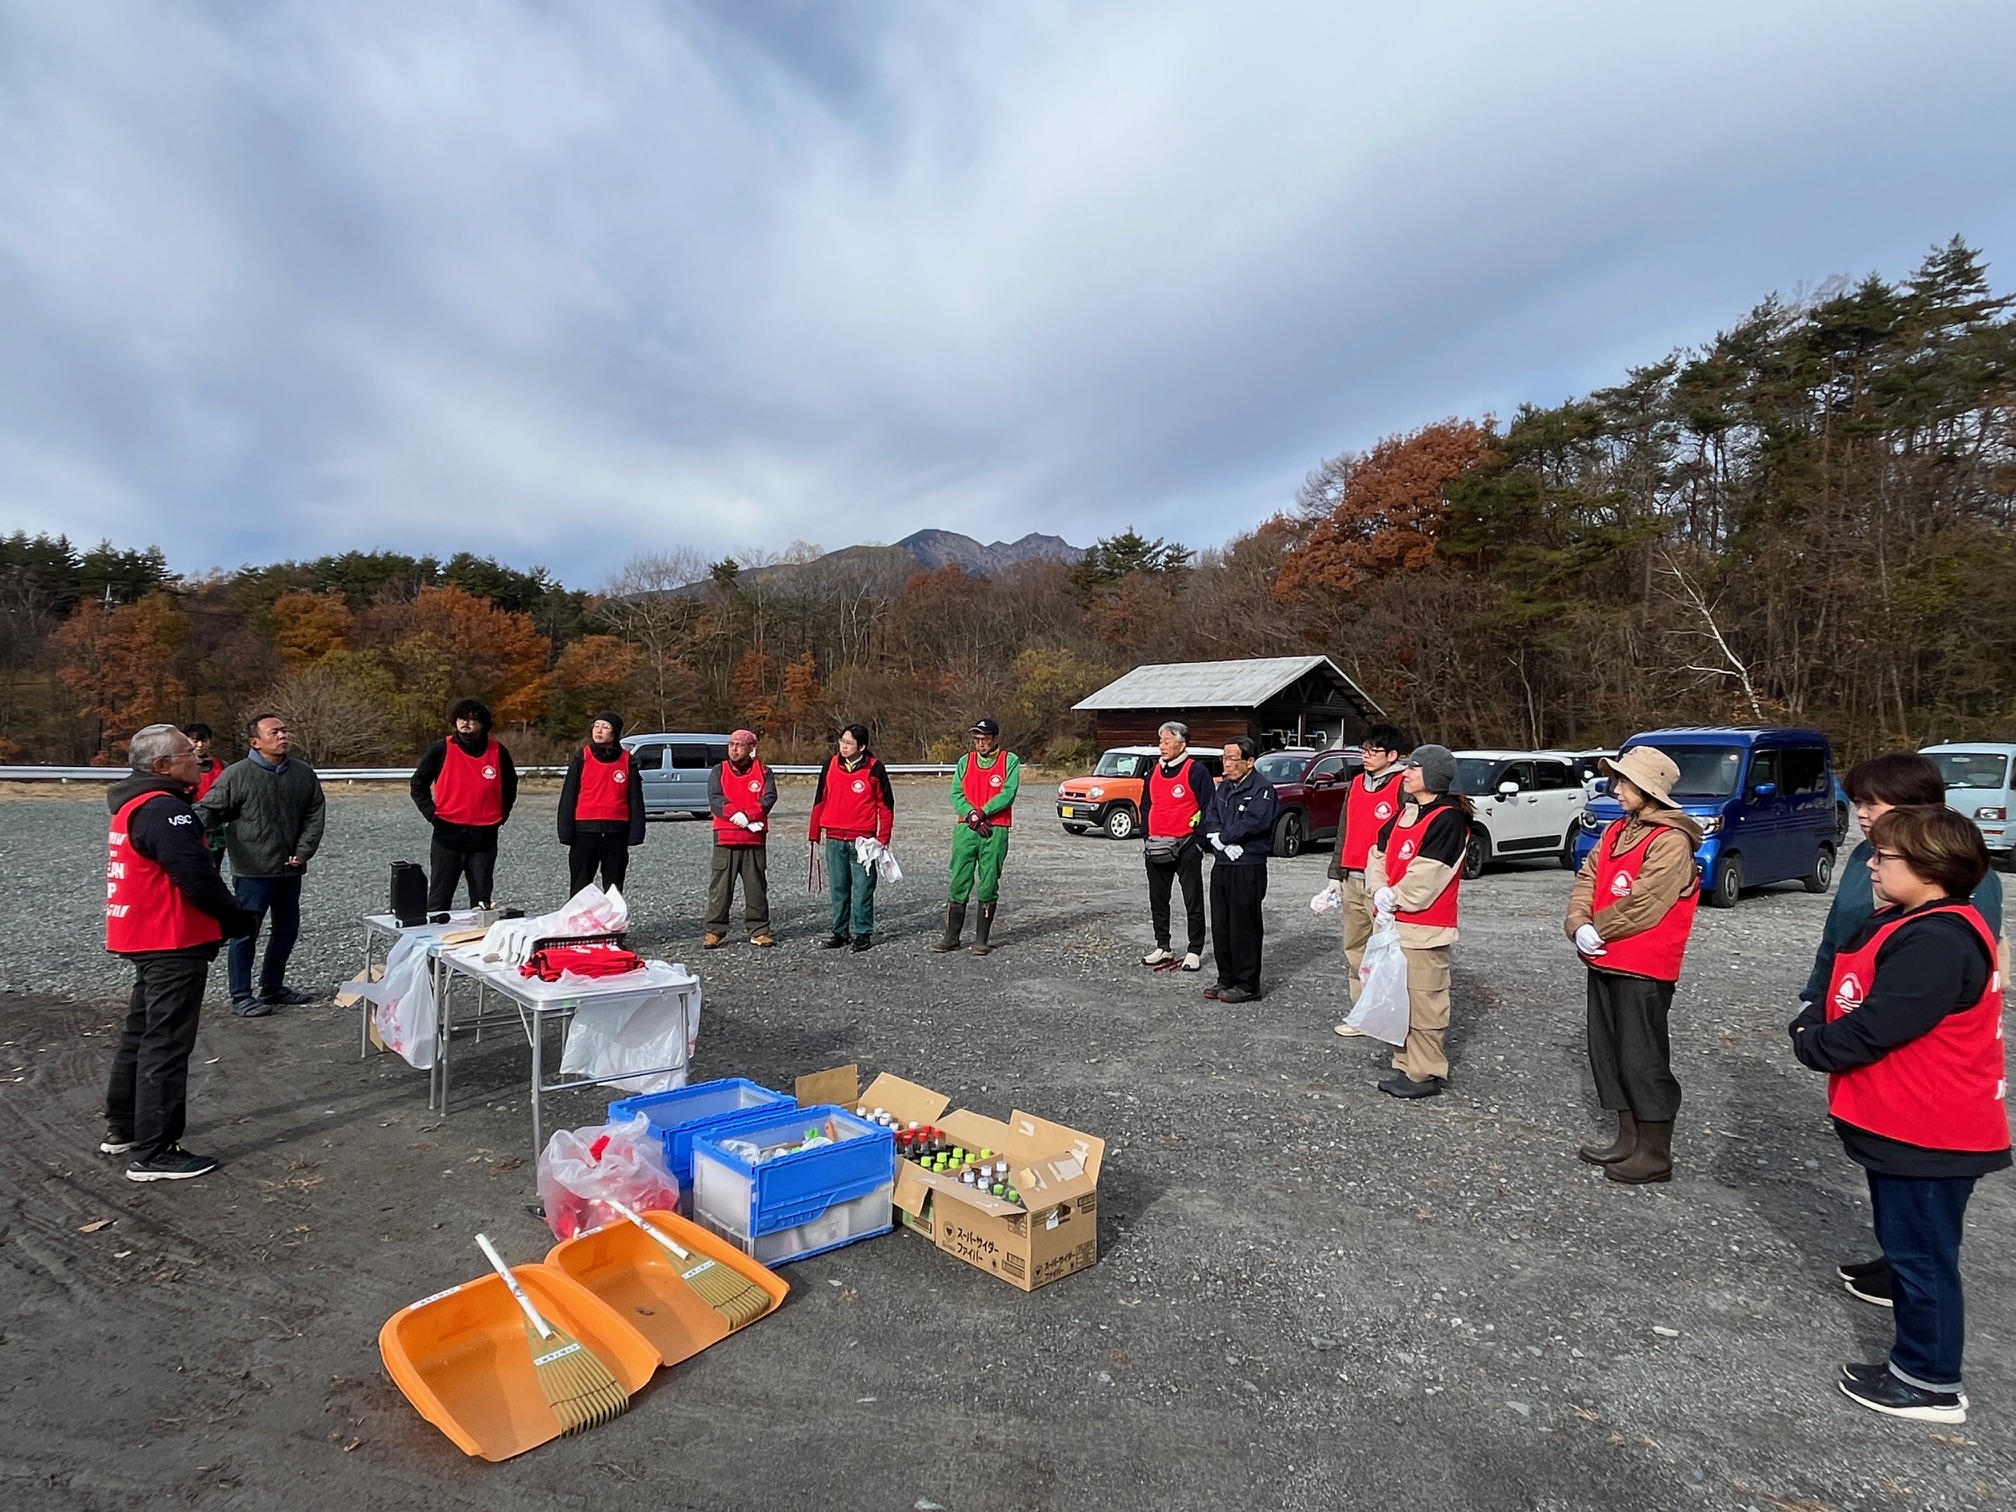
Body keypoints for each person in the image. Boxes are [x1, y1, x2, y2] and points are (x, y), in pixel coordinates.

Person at [1790, 805, 2008, 1424]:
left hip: (1934, 1130)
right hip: (1908, 1124)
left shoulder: (1938, 939)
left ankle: (1929, 1379)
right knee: (1910, 1249)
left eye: (1886, 857)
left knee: (1924, 1257)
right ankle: (1922, 1361)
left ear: (1931, 867)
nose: (1874, 866)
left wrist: (1812, 1041)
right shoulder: (1921, 922)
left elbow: (1877, 1027)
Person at [104, 724, 259, 1181]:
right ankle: (155, 1152)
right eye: (185, 752)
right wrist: (236, 917)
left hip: (143, 933)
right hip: (170, 937)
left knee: (142, 1032)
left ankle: (125, 1127)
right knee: (166, 1042)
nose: (196, 755)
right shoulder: (163, 810)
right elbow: (197, 877)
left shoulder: (134, 804)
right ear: (162, 767)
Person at [1563, 747, 1705, 1184]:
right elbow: (1588, 877)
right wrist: (1577, 921)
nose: (1617, 789)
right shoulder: (1617, 830)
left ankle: (1655, 1150)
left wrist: (1597, 928)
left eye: (1625, 783)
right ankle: (1628, 1137)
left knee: (1642, 1057)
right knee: (1608, 1051)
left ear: (1649, 790)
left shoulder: (1670, 839)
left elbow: (1647, 901)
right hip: (1607, 956)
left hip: (1643, 963)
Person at [196, 713, 326, 1018]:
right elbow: (208, 811)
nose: (283, 735)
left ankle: (273, 986)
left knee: (287, 930)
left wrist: (304, 850)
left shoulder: (302, 773)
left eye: (284, 730)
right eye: (274, 731)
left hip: (290, 867)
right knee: (245, 933)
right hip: (253, 870)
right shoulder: (236, 775)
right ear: (255, 742)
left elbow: (314, 812)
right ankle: (241, 995)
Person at [1364, 744, 1469, 1099]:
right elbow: (1377, 853)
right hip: (1394, 925)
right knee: (1399, 1000)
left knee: (1426, 1001)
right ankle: (1405, 1062)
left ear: (1433, 776)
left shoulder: (1447, 818)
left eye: (1414, 768)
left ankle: (1425, 1071)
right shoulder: (1406, 813)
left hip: (1425, 928)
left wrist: (1395, 897)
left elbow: (1430, 873)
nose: (1406, 773)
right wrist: (1378, 889)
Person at [1327, 724, 1408, 1035]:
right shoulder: (1357, 783)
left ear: (1392, 755)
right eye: (1364, 749)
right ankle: (1360, 1013)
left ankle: (1385, 1013)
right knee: (1355, 948)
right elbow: (1343, 830)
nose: (1366, 755)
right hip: (1352, 878)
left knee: (1385, 951)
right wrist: (1336, 874)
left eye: (1373, 750)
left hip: (1382, 884)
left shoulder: (1403, 784)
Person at [410, 698, 518, 912]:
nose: (466, 723)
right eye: (462, 718)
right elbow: (418, 784)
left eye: (472, 719)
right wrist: (432, 815)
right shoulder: (441, 748)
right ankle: (434, 940)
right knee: (440, 896)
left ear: (483, 724)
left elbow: (510, 786)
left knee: (481, 898)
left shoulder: (498, 751)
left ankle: (479, 942)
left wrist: (500, 816)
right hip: (447, 832)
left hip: (484, 834)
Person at [935, 718, 1022, 956]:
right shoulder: (965, 761)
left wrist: (984, 812)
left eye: (985, 739)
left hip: (995, 828)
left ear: (995, 739)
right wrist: (972, 814)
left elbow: (1008, 792)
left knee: (989, 880)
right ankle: (951, 936)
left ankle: (981, 939)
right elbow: (956, 793)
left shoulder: (1009, 761)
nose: (980, 744)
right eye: (977, 739)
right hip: (967, 827)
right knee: (959, 878)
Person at [1202, 737, 1278, 1003]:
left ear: (1250, 761)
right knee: (1221, 923)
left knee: (1243, 924)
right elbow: (1210, 815)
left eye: (1233, 759)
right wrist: (1217, 840)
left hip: (1248, 863)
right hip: (1223, 862)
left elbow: (1255, 821)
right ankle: (1226, 977)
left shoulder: (1262, 788)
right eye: (1225, 758)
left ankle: (1247, 983)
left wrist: (1227, 837)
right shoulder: (1223, 788)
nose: (1227, 764)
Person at [808, 723, 894, 952]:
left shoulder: (875, 769)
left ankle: (863, 932)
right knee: (839, 888)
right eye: (842, 741)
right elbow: (820, 799)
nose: (843, 746)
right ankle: (840, 932)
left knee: (863, 888)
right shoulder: (830, 765)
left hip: (863, 840)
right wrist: (814, 832)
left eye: (848, 743)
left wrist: (883, 837)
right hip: (834, 837)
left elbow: (885, 805)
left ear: (862, 746)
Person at [1139, 721, 1217, 973]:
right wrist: (1146, 835)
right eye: (1160, 741)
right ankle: (1163, 945)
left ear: (1182, 744)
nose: (1162, 746)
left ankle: (1194, 949)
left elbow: (1209, 807)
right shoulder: (1152, 772)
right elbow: (1145, 806)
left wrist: (1199, 843)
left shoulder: (1197, 771)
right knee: (1158, 899)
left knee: (1192, 900)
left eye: (1167, 741)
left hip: (1186, 847)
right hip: (1156, 847)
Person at [557, 711, 646, 895]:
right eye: (596, 726)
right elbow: (568, 795)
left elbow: (635, 798)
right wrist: (565, 830)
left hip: (616, 831)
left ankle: (612, 922)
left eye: (605, 727)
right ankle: (580, 922)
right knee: (580, 884)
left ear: (615, 733)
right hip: (585, 830)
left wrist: (636, 832)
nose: (599, 731)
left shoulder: (627, 760)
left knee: (613, 886)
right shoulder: (583, 756)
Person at [705, 728, 778, 948]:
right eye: (731, 744)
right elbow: (715, 797)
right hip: (725, 837)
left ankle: (759, 930)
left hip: (754, 838)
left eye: (739, 744)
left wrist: (749, 815)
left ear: (750, 748)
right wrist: (732, 813)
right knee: (720, 888)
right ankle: (714, 930)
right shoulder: (719, 770)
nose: (734, 748)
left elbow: (769, 797)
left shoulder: (764, 771)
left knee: (756, 887)